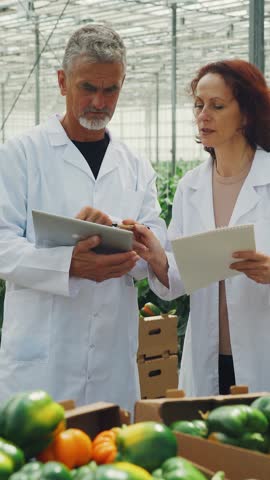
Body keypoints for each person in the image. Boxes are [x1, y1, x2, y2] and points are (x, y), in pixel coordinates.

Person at [0, 24, 166, 414]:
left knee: (111, 464)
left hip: (112, 362)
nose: (99, 101)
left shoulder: (135, 164)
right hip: (42, 364)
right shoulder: (21, 154)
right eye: (87, 87)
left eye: (111, 90)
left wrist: (134, 242)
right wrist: (67, 262)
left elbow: (156, 241)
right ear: (62, 81)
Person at [132, 59, 270, 397]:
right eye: (199, 104)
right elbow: (182, 276)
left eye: (217, 106)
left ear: (247, 114)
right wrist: (158, 258)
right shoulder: (190, 187)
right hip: (209, 356)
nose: (203, 114)